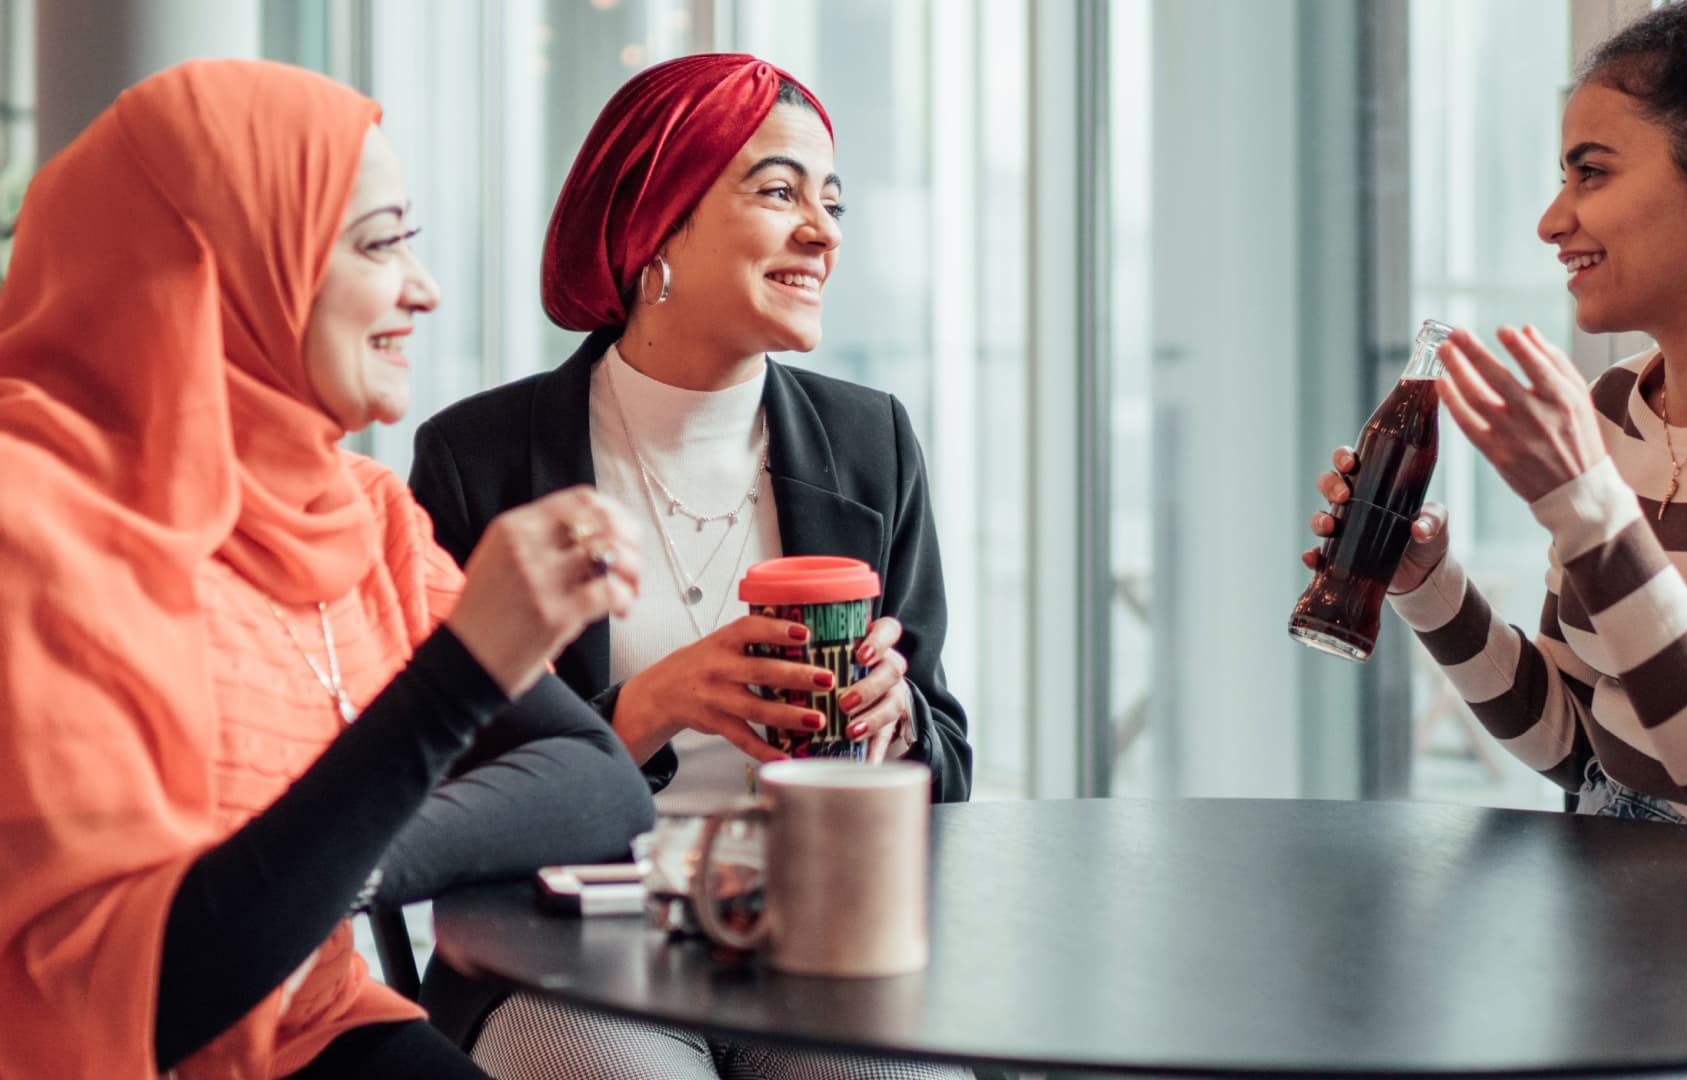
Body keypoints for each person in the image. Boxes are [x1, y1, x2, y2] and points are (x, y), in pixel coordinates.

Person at [0, 60, 655, 1079]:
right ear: (224, 267)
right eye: (378, 243)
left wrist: (340, 867)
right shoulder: (33, 528)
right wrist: (461, 674)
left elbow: (599, 787)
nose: (424, 289)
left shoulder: (359, 510)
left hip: (317, 1027)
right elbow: (146, 1005)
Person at [1309, 0, 1687, 1076]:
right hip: (1638, 962)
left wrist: (1588, 508)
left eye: (1591, 172)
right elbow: (1581, 744)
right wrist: (1425, 578)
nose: (1551, 221)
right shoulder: (1618, 416)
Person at [408, 54, 971, 1079]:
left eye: (831, 200)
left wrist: (896, 724)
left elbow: (951, 766)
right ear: (656, 222)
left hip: (815, 944)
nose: (824, 230)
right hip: (568, 955)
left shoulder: (870, 442)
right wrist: (651, 705)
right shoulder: (477, 458)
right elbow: (427, 783)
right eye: (779, 190)